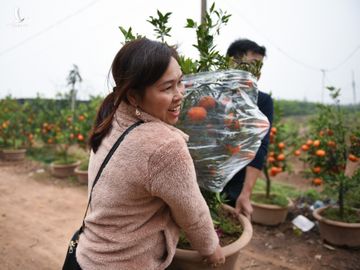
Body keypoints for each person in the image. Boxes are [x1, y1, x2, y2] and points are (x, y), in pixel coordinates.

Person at [75, 38, 225, 270]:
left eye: (180, 82)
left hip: (87, 256)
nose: (179, 94)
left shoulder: (112, 119)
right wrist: (211, 249)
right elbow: (192, 212)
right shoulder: (164, 146)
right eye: (167, 87)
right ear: (134, 96)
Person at [222, 38, 274, 218]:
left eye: (260, 66)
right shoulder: (211, 94)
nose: (257, 72)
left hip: (237, 181)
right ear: (232, 62)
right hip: (201, 178)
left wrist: (246, 193)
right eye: (253, 64)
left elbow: (260, 146)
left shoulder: (263, 102)